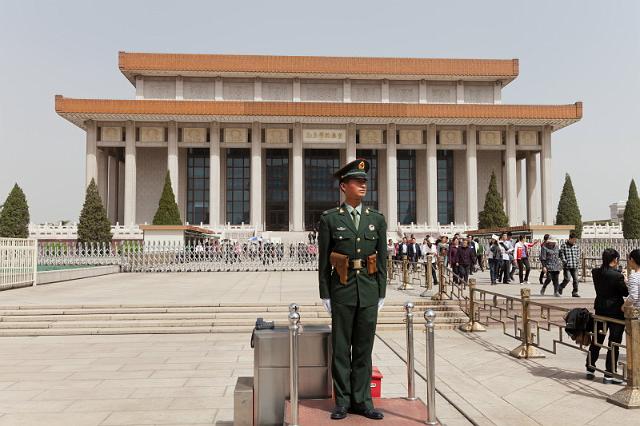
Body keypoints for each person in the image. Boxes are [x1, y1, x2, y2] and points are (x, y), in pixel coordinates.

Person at [318, 158, 386, 420]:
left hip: (368, 290)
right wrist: (325, 292)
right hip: (342, 289)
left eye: (365, 181)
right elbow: (324, 260)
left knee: (364, 348)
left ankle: (363, 401)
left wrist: (381, 291)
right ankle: (342, 401)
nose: (363, 185)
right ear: (343, 186)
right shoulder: (331, 219)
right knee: (341, 346)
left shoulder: (376, 219)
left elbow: (381, 259)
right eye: (357, 181)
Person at [586, 248, 628, 383]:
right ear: (615, 260)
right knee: (614, 342)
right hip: (616, 312)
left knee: (597, 340)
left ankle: (590, 367)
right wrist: (625, 279)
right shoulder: (617, 276)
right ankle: (609, 373)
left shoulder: (595, 272)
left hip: (600, 310)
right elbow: (625, 293)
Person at [559, 232, 581, 297]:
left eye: (575, 240)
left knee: (576, 280)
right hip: (567, 266)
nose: (574, 241)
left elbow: (578, 254)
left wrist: (577, 260)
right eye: (573, 240)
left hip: (575, 265)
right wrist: (564, 261)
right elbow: (561, 254)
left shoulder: (576, 246)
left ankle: (575, 292)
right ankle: (560, 287)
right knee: (567, 279)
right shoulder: (564, 245)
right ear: (570, 239)